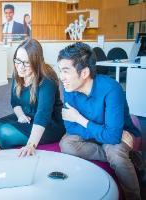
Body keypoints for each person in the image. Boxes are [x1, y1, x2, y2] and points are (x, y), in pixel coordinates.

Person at [57, 42, 141, 200]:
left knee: (115, 153)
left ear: (84, 73)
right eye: (60, 70)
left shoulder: (111, 89)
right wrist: (104, 133)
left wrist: (79, 119)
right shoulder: (69, 88)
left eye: (66, 71)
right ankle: (127, 157)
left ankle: (134, 196)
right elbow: (70, 127)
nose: (62, 77)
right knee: (66, 144)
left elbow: (112, 136)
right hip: (104, 132)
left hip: (121, 132)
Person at [0, 39, 65, 156]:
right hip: (28, 116)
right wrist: (20, 115)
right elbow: (14, 102)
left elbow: (43, 115)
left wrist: (31, 145)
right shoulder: (18, 73)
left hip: (49, 123)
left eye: (27, 63)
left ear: (37, 62)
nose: (20, 67)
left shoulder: (47, 79)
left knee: (3, 133)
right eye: (18, 61)